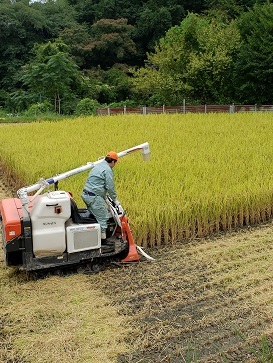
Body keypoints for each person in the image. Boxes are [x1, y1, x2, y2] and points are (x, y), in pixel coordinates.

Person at [81, 151, 120, 242]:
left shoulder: (98, 166)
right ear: (113, 161)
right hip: (94, 197)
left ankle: (94, 237)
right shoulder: (107, 170)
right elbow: (110, 186)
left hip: (86, 195)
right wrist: (115, 199)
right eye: (115, 163)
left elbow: (96, 183)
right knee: (103, 217)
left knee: (95, 216)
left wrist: (104, 196)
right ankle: (103, 242)